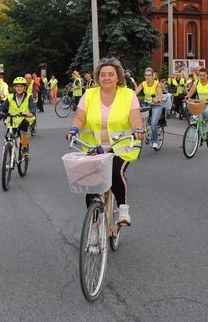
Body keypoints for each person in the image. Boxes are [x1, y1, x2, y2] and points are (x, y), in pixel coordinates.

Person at [67, 58, 144, 226]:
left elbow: (135, 116)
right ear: (98, 77)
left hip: (121, 147)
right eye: (103, 75)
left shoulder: (128, 95)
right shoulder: (89, 95)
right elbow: (80, 117)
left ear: (118, 77)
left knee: (115, 172)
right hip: (94, 148)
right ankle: (95, 226)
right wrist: (74, 129)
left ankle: (123, 210)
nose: (106, 78)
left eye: (111, 74)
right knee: (92, 185)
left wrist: (138, 129)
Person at [0, 77, 36, 156]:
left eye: (21, 86)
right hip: (13, 119)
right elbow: (3, 106)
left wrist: (31, 113)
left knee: (23, 127)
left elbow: (32, 107)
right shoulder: (10, 97)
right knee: (8, 137)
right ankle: (9, 159)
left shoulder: (29, 97)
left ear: (24, 87)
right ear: (15, 87)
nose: (19, 88)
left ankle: (25, 147)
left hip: (24, 118)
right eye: (17, 86)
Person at [134, 67, 164, 149]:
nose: (148, 77)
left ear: (152, 75)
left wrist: (157, 99)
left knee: (154, 123)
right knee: (140, 123)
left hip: (156, 105)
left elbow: (160, 94)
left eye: (149, 75)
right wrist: (129, 97)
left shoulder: (156, 83)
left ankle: (155, 141)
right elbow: (136, 92)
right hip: (146, 105)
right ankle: (146, 134)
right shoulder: (143, 83)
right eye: (146, 75)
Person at [186, 67, 208, 134]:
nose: (201, 77)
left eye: (203, 75)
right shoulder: (197, 82)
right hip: (201, 103)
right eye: (200, 75)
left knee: (206, 112)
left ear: (207, 75)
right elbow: (191, 92)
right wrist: (188, 96)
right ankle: (201, 135)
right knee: (199, 118)